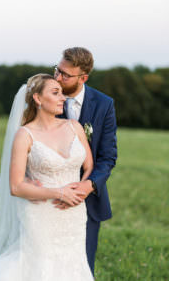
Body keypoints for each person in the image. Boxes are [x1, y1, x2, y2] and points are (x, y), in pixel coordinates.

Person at [0, 74, 95, 281]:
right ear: (37, 99)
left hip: (74, 213)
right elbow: (16, 186)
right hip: (41, 213)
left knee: (73, 263)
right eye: (55, 93)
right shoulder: (25, 135)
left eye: (62, 93)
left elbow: (89, 166)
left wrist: (80, 191)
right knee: (40, 266)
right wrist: (59, 192)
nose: (62, 97)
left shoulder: (74, 126)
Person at [51, 47, 117, 275]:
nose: (58, 78)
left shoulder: (104, 104)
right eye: (57, 70)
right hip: (50, 197)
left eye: (65, 75)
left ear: (83, 78)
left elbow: (108, 157)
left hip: (87, 202)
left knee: (82, 267)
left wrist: (87, 186)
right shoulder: (43, 98)